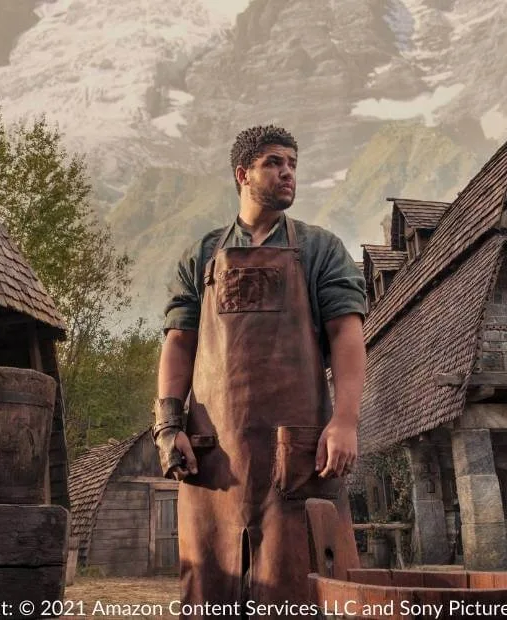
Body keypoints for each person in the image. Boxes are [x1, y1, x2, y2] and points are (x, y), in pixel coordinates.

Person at [154, 125, 367, 616]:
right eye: (274, 162)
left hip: (296, 452)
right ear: (242, 174)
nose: (288, 172)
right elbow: (179, 345)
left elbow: (345, 336)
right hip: (215, 456)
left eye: (292, 163)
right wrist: (168, 424)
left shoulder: (319, 248)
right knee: (211, 592)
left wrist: (346, 420)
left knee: (305, 587)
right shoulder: (201, 255)